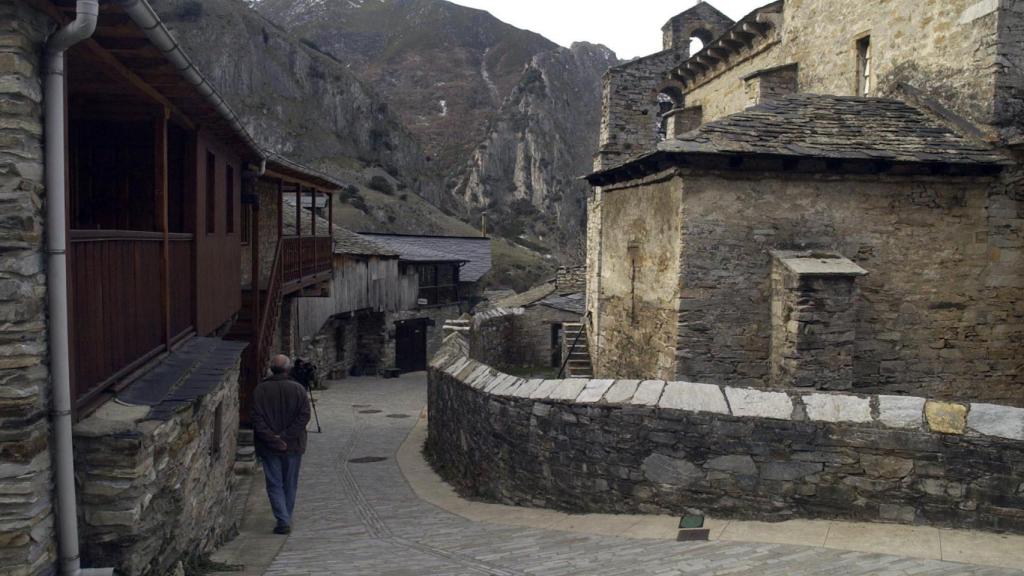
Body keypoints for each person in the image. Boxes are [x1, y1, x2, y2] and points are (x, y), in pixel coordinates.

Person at [251, 354, 311, 534]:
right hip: (292, 445)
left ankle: (282, 519)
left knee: (274, 483)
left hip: (269, 446)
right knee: (290, 482)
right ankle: (286, 516)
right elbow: (304, 416)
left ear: (271, 369)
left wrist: (274, 439)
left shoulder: (260, 390)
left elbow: (256, 419)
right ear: (288, 368)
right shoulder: (298, 389)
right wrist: (286, 438)